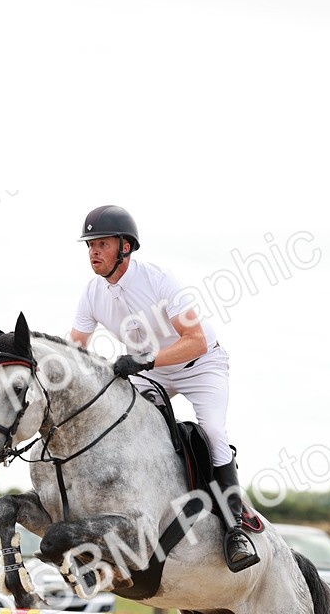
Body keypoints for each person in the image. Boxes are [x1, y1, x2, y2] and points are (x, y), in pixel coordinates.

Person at [69, 204, 259, 572]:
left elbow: (196, 340)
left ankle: (235, 528)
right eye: (90, 245)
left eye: (102, 244)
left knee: (215, 433)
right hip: (152, 371)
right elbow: (76, 346)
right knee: (119, 424)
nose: (93, 252)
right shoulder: (92, 293)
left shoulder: (159, 279)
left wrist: (144, 361)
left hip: (200, 365)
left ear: (125, 247)